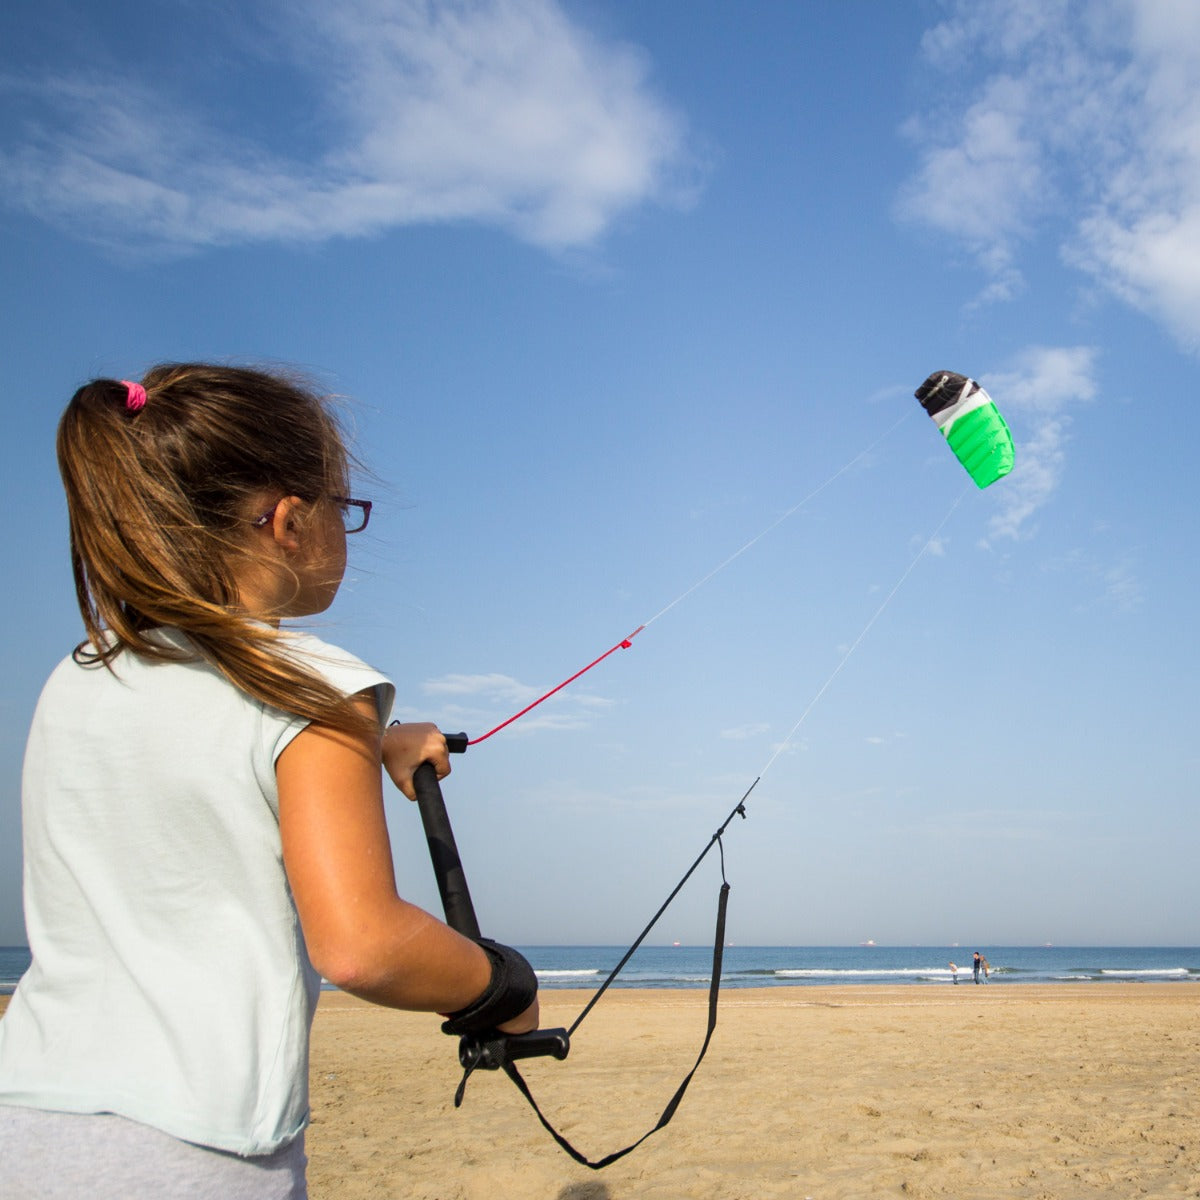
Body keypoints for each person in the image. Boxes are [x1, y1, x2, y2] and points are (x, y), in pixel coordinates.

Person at [0, 365, 538, 1199]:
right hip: (195, 1152)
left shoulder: (80, 674)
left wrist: (373, 744)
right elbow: (361, 946)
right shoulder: (317, 690)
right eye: (344, 509)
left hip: (27, 1114)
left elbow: (196, 760)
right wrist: (500, 983)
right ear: (289, 521)